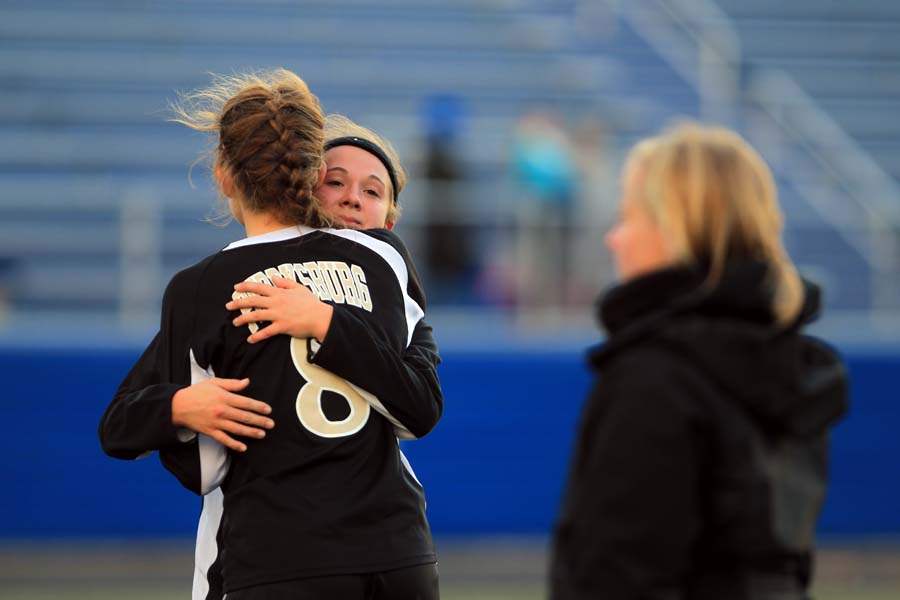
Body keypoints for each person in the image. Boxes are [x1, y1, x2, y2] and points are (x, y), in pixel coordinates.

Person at [98, 70, 440, 600]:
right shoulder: (380, 261)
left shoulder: (203, 286)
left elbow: (197, 466)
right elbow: (418, 407)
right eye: (337, 181)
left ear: (224, 175)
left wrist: (324, 322)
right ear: (309, 179)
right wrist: (178, 405)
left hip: (274, 552)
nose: (352, 200)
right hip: (395, 552)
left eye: (373, 191)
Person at [549, 122, 848, 600]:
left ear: (675, 229)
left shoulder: (655, 378)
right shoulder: (791, 366)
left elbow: (617, 575)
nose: (613, 239)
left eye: (627, 217)